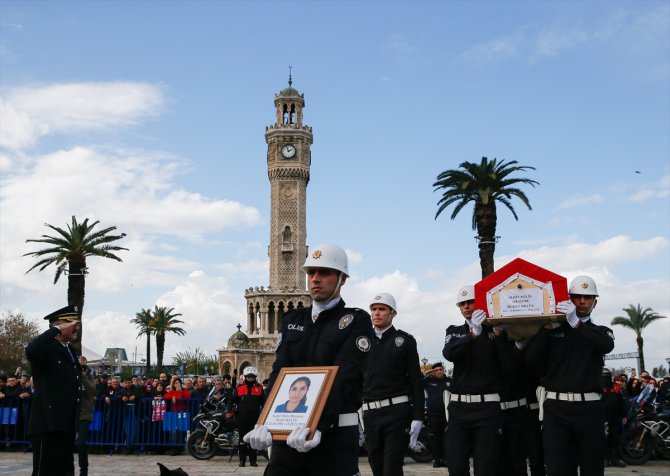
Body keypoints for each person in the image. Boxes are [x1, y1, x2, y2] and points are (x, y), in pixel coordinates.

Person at [244, 243, 374, 476]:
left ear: (342, 279)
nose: (315, 278)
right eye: (311, 272)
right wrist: (265, 420)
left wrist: (318, 426)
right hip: (288, 439)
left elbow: (344, 377)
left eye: (324, 272)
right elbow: (279, 374)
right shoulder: (292, 319)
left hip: (333, 439)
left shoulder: (355, 320)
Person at [524, 275, 615, 476]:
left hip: (589, 409)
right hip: (557, 409)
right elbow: (530, 359)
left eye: (588, 297)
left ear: (595, 302)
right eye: (577, 297)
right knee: (558, 468)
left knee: (592, 468)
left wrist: (576, 324)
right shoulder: (554, 330)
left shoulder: (601, 331)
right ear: (568, 299)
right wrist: (545, 330)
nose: (582, 301)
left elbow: (606, 345)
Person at [443, 285, 515, 476]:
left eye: (471, 302)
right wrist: (472, 335)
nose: (467, 306)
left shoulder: (496, 331)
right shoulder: (455, 330)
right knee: (456, 466)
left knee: (486, 467)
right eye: (462, 303)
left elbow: (508, 366)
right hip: (459, 408)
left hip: (487, 409)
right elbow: (449, 353)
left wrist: (499, 337)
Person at [362, 293, 425, 476]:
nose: (377, 313)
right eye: (374, 309)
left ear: (393, 313)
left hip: (396, 412)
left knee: (392, 468)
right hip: (371, 413)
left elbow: (415, 380)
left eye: (382, 309)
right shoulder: (362, 341)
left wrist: (418, 416)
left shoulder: (404, 340)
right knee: (376, 465)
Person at [25, 304, 82, 476]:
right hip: (48, 424)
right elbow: (31, 350)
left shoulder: (69, 350)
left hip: (65, 424)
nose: (76, 327)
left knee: (66, 471)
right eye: (72, 323)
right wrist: (55, 329)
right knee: (45, 471)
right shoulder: (46, 348)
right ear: (60, 326)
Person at [232, 366, 265, 467]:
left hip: (255, 419)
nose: (250, 378)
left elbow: (264, 403)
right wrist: (230, 411)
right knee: (242, 440)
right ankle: (242, 461)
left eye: (252, 376)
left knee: (253, 440)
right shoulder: (239, 389)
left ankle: (253, 461)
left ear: (255, 377)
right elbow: (231, 401)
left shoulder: (259, 389)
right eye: (248, 376)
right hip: (242, 418)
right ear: (245, 377)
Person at [423, 362, 451, 468]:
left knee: (447, 438)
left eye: (440, 369)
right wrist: (427, 372)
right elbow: (417, 380)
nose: (439, 371)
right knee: (436, 438)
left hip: (447, 415)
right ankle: (437, 460)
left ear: (443, 370)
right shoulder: (428, 381)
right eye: (436, 370)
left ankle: (446, 459)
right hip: (434, 415)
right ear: (433, 372)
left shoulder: (449, 381)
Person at [602, 368, 626, 468]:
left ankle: (615, 459)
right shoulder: (597, 386)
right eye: (603, 375)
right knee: (603, 438)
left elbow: (622, 402)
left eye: (606, 375)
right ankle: (604, 459)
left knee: (614, 438)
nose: (604, 377)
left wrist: (624, 415)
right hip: (601, 416)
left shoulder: (616, 387)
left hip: (615, 416)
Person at [77, 356, 97, 476]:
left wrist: (83, 376)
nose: (82, 368)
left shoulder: (89, 376)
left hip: (84, 414)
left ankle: (83, 470)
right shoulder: (71, 374)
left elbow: (92, 391)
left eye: (83, 365)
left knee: (81, 443)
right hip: (71, 412)